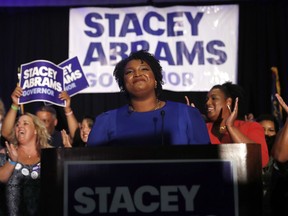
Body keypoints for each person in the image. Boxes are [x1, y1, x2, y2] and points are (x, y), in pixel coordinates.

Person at [87, 50, 210, 146]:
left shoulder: (187, 114)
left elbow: (205, 163)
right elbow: (91, 166)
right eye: (129, 72)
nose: (137, 74)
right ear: (123, 84)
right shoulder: (105, 121)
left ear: (156, 80)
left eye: (144, 69)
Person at [202, 82, 269, 168]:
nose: (208, 102)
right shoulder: (203, 128)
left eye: (214, 98)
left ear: (228, 102)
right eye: (206, 99)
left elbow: (262, 160)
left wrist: (231, 127)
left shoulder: (251, 127)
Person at [0, 112, 51, 215]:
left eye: (25, 123)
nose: (20, 126)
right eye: (17, 124)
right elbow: (1, 178)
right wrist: (12, 161)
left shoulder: (49, 155)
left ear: (36, 130)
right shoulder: (6, 153)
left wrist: (67, 154)